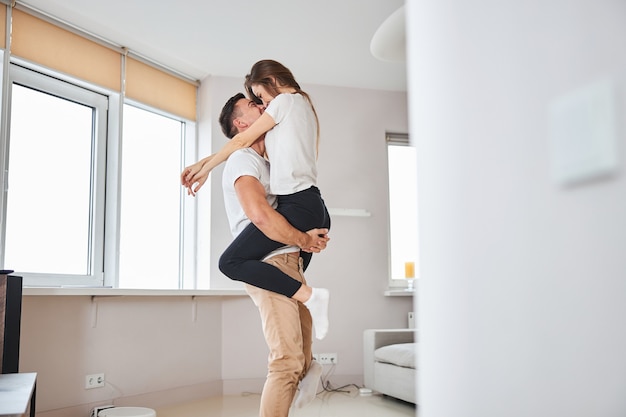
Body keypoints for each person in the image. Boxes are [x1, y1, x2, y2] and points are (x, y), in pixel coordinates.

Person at [181, 59, 331, 339]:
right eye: (257, 102)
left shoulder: (283, 102)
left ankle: (313, 297)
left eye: (260, 96)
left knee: (229, 263)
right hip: (312, 205)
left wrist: (205, 168)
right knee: (294, 295)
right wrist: (204, 164)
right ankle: (309, 368)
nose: (263, 104)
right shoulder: (299, 108)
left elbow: (240, 141)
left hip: (298, 205)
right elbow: (242, 142)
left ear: (272, 81)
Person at [220, 93, 324, 415]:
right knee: (286, 360)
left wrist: (306, 241)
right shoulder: (242, 159)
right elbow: (261, 217)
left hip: (289, 260)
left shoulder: (271, 162)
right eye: (254, 106)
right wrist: (303, 238)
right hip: (266, 262)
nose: (263, 107)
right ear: (241, 123)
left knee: (303, 356)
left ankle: (305, 379)